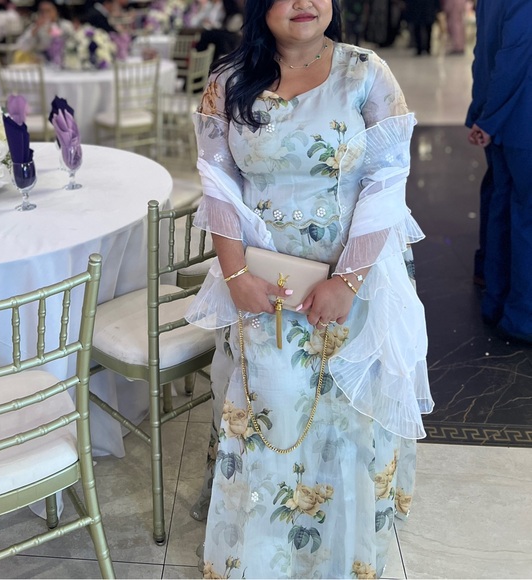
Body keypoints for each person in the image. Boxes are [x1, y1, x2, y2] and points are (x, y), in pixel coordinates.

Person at [185, 0, 433, 577]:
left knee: (345, 417)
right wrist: (235, 275)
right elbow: (218, 184)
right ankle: (266, 555)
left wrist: (346, 282)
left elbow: (387, 180)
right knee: (271, 406)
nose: (303, 4)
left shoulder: (365, 72)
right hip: (262, 280)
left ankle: (336, 555)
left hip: (353, 276)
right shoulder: (229, 80)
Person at [466, 0, 532, 344]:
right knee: (523, 217)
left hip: (504, 118)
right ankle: (522, 316)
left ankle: (497, 301)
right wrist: (487, 119)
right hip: (521, 116)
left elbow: (484, 54)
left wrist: (482, 115)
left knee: (502, 205)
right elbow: (514, 56)